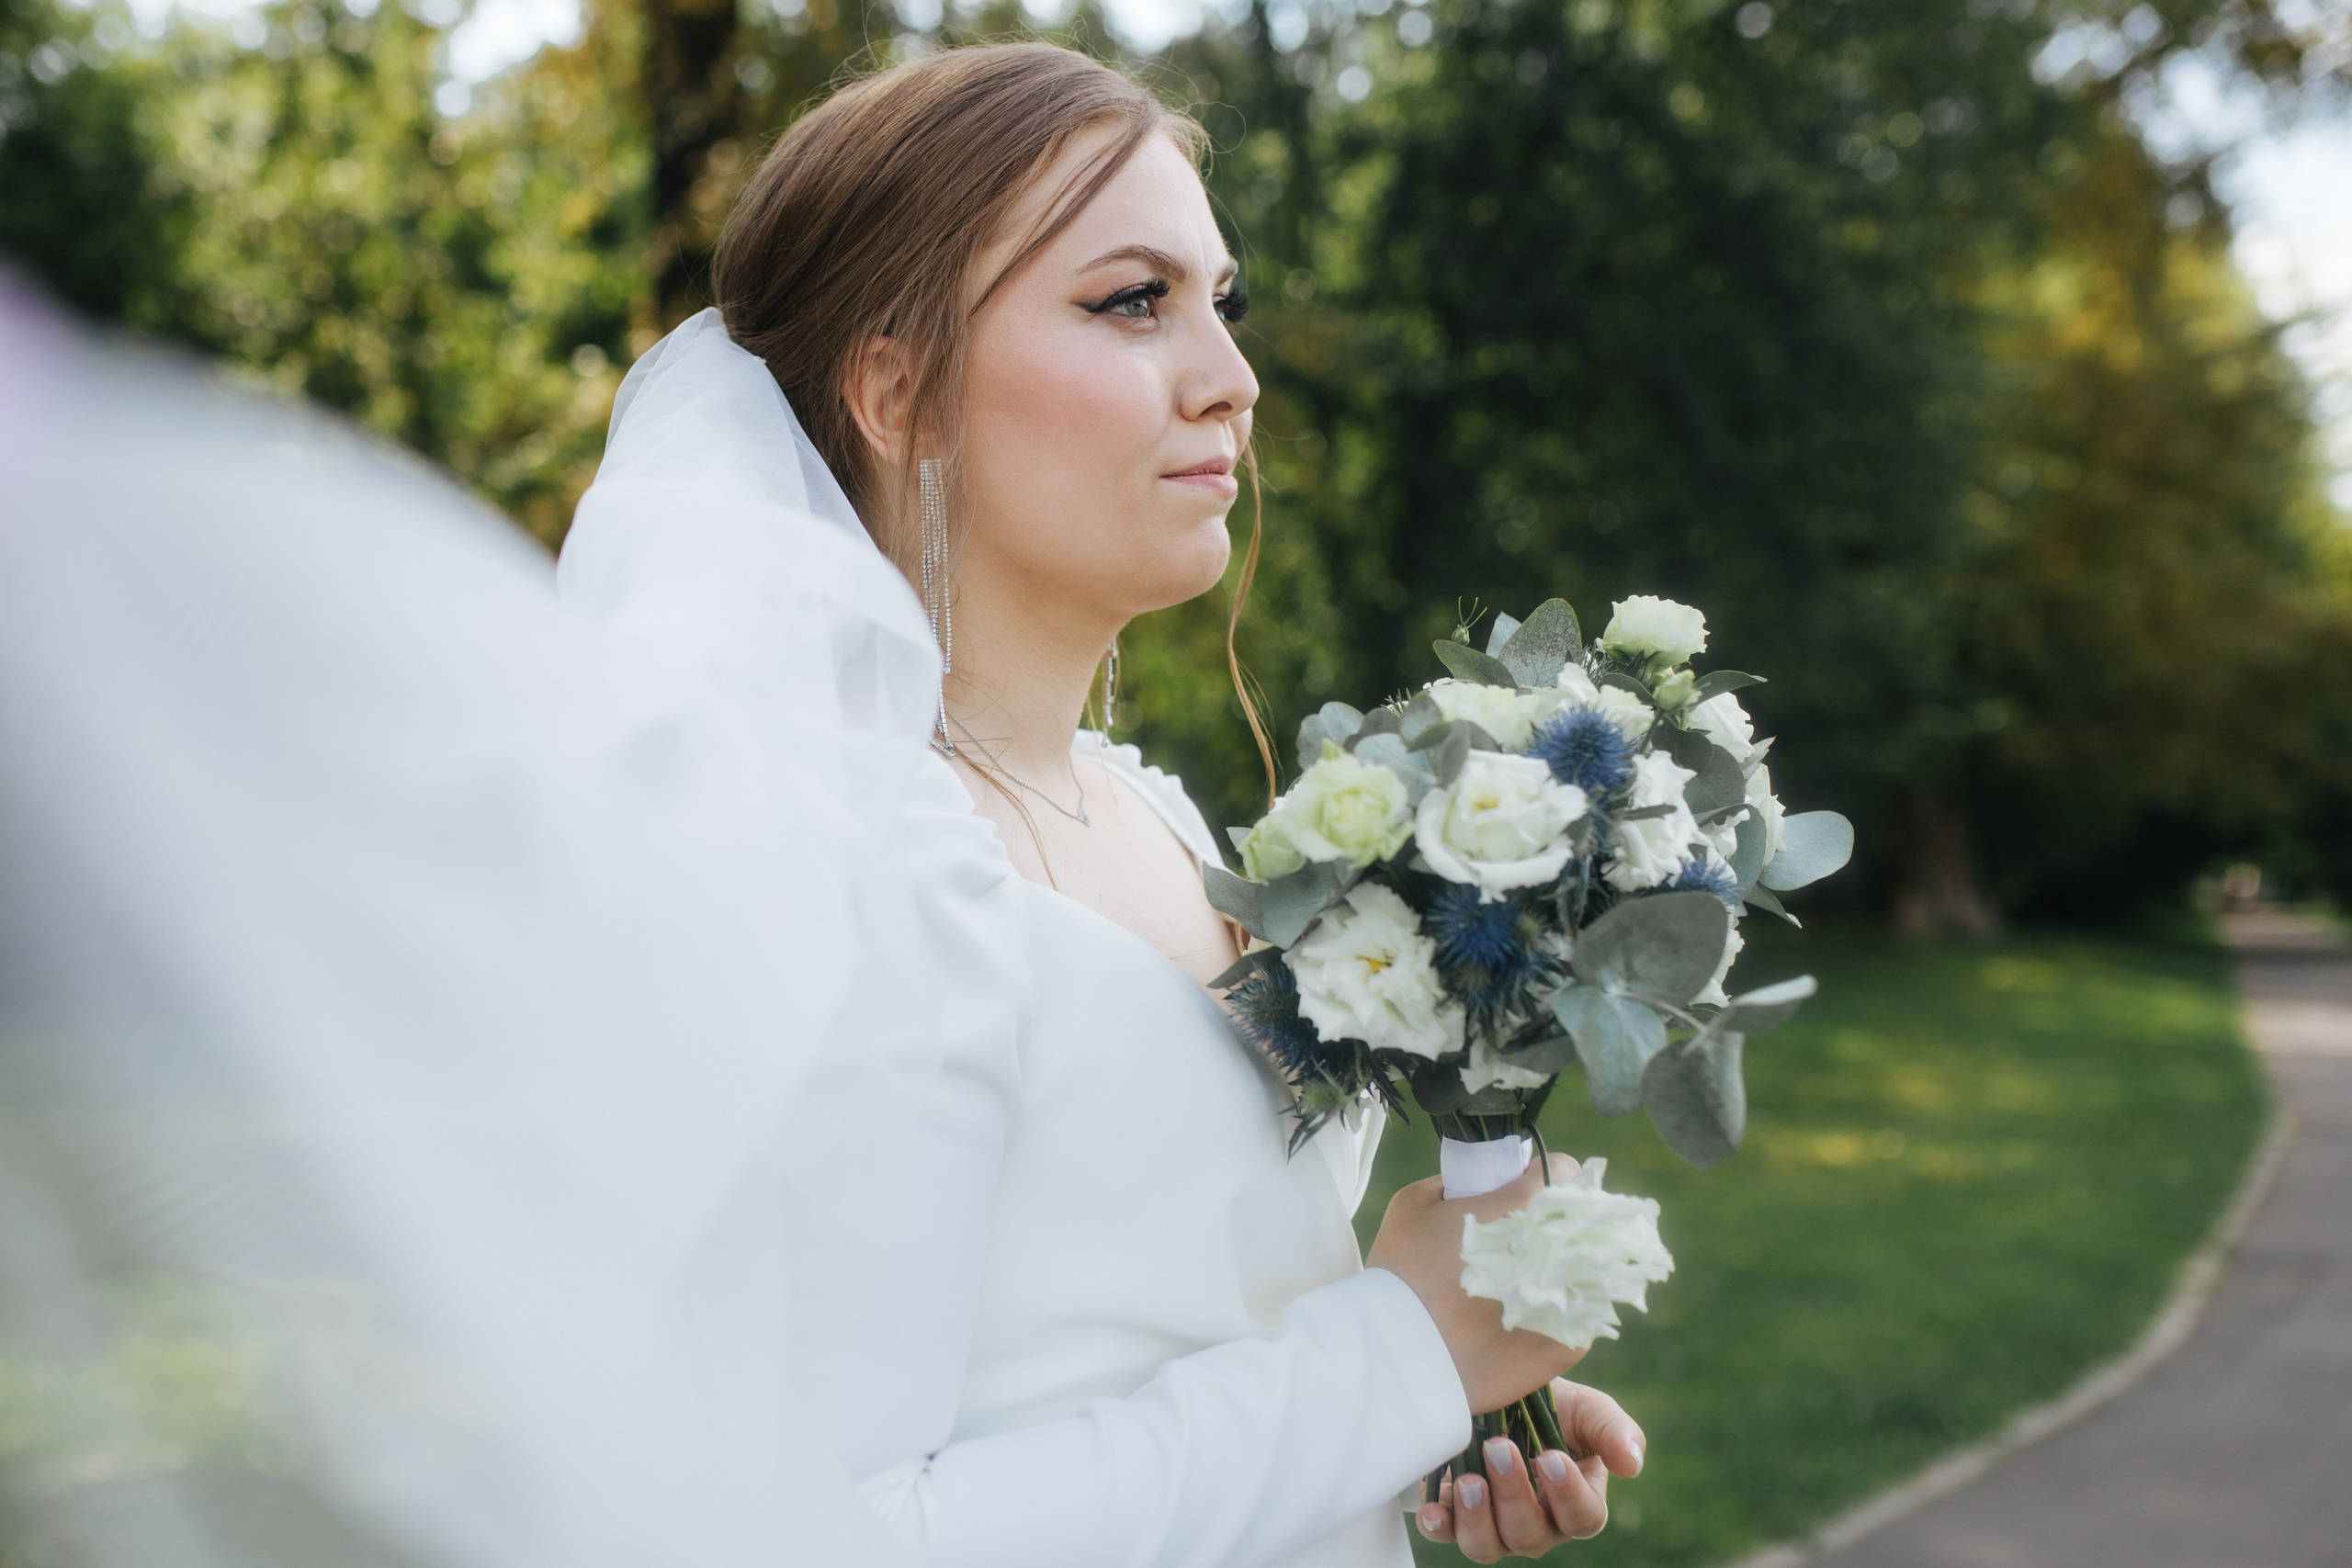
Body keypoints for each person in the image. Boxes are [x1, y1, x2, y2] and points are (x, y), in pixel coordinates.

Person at [559, 43, 1645, 1567]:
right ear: (897, 392)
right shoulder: (855, 864)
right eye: (1134, 302)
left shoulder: (1155, 819)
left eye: (1224, 302)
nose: (1231, 378)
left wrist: (1425, 1427)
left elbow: (1130, 1354)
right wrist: (1400, 1353)